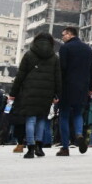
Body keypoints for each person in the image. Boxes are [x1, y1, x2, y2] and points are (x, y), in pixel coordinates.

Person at [10, 32, 62, 160]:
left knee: (30, 119)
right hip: (47, 92)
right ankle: (39, 147)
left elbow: (20, 75)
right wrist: (57, 94)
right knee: (41, 119)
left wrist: (13, 93)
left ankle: (30, 148)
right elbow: (58, 77)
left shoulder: (29, 54)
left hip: (29, 91)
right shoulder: (54, 57)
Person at [57, 26, 92, 156]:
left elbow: (62, 68)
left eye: (64, 35)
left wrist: (58, 88)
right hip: (83, 87)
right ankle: (79, 134)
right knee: (78, 113)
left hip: (67, 86)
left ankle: (65, 147)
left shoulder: (65, 48)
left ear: (69, 34)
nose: (62, 37)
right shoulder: (88, 49)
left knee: (64, 115)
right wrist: (90, 87)